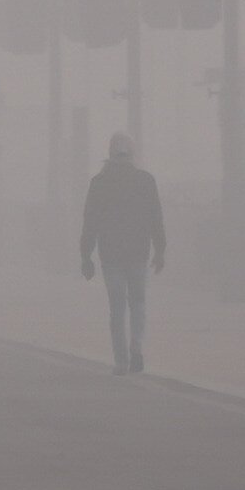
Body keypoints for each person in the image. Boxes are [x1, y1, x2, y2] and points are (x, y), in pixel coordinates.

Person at [78, 134, 165, 373]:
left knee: (117, 308)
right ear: (132, 154)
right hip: (138, 253)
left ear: (110, 154)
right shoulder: (145, 181)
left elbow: (90, 222)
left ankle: (121, 361)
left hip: (111, 255)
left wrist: (86, 256)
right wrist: (160, 250)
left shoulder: (99, 183)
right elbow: (155, 218)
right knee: (138, 303)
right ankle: (136, 347)